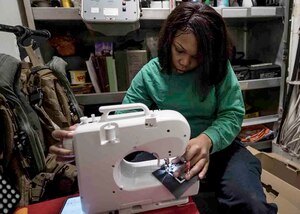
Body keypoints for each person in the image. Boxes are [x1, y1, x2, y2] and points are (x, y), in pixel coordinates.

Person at [52, 2, 278, 213]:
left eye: (197, 56)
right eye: (179, 50)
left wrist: (207, 140)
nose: (184, 62)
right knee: (160, 203)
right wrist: (86, 143)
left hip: (218, 147)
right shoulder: (151, 73)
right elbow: (123, 120)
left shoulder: (219, 69)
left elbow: (232, 114)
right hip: (164, 154)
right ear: (169, 39)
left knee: (251, 203)